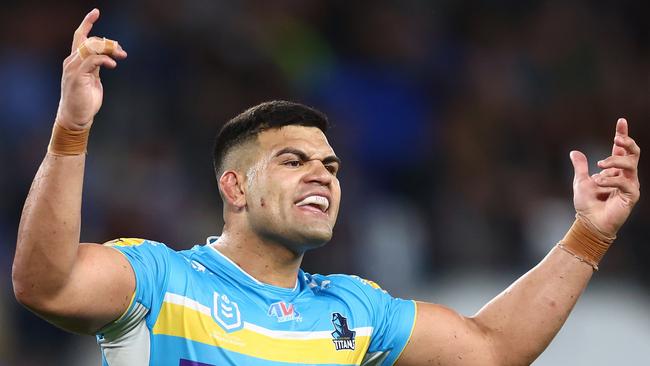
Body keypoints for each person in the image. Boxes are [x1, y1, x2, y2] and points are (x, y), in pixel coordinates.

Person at [12, 9, 641, 366]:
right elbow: (45, 283)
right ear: (235, 186)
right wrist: (71, 132)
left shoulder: (355, 311)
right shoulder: (159, 279)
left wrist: (588, 235)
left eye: (332, 167)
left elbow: (494, 349)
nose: (322, 175)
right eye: (293, 161)